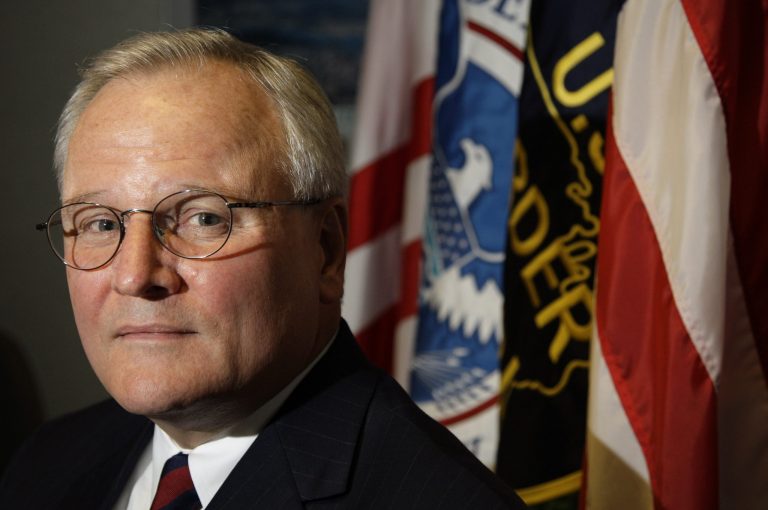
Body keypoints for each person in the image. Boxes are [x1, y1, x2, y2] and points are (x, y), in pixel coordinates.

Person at [0, 28, 526, 509]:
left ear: (326, 250)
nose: (136, 275)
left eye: (202, 218)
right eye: (99, 224)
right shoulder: (46, 463)